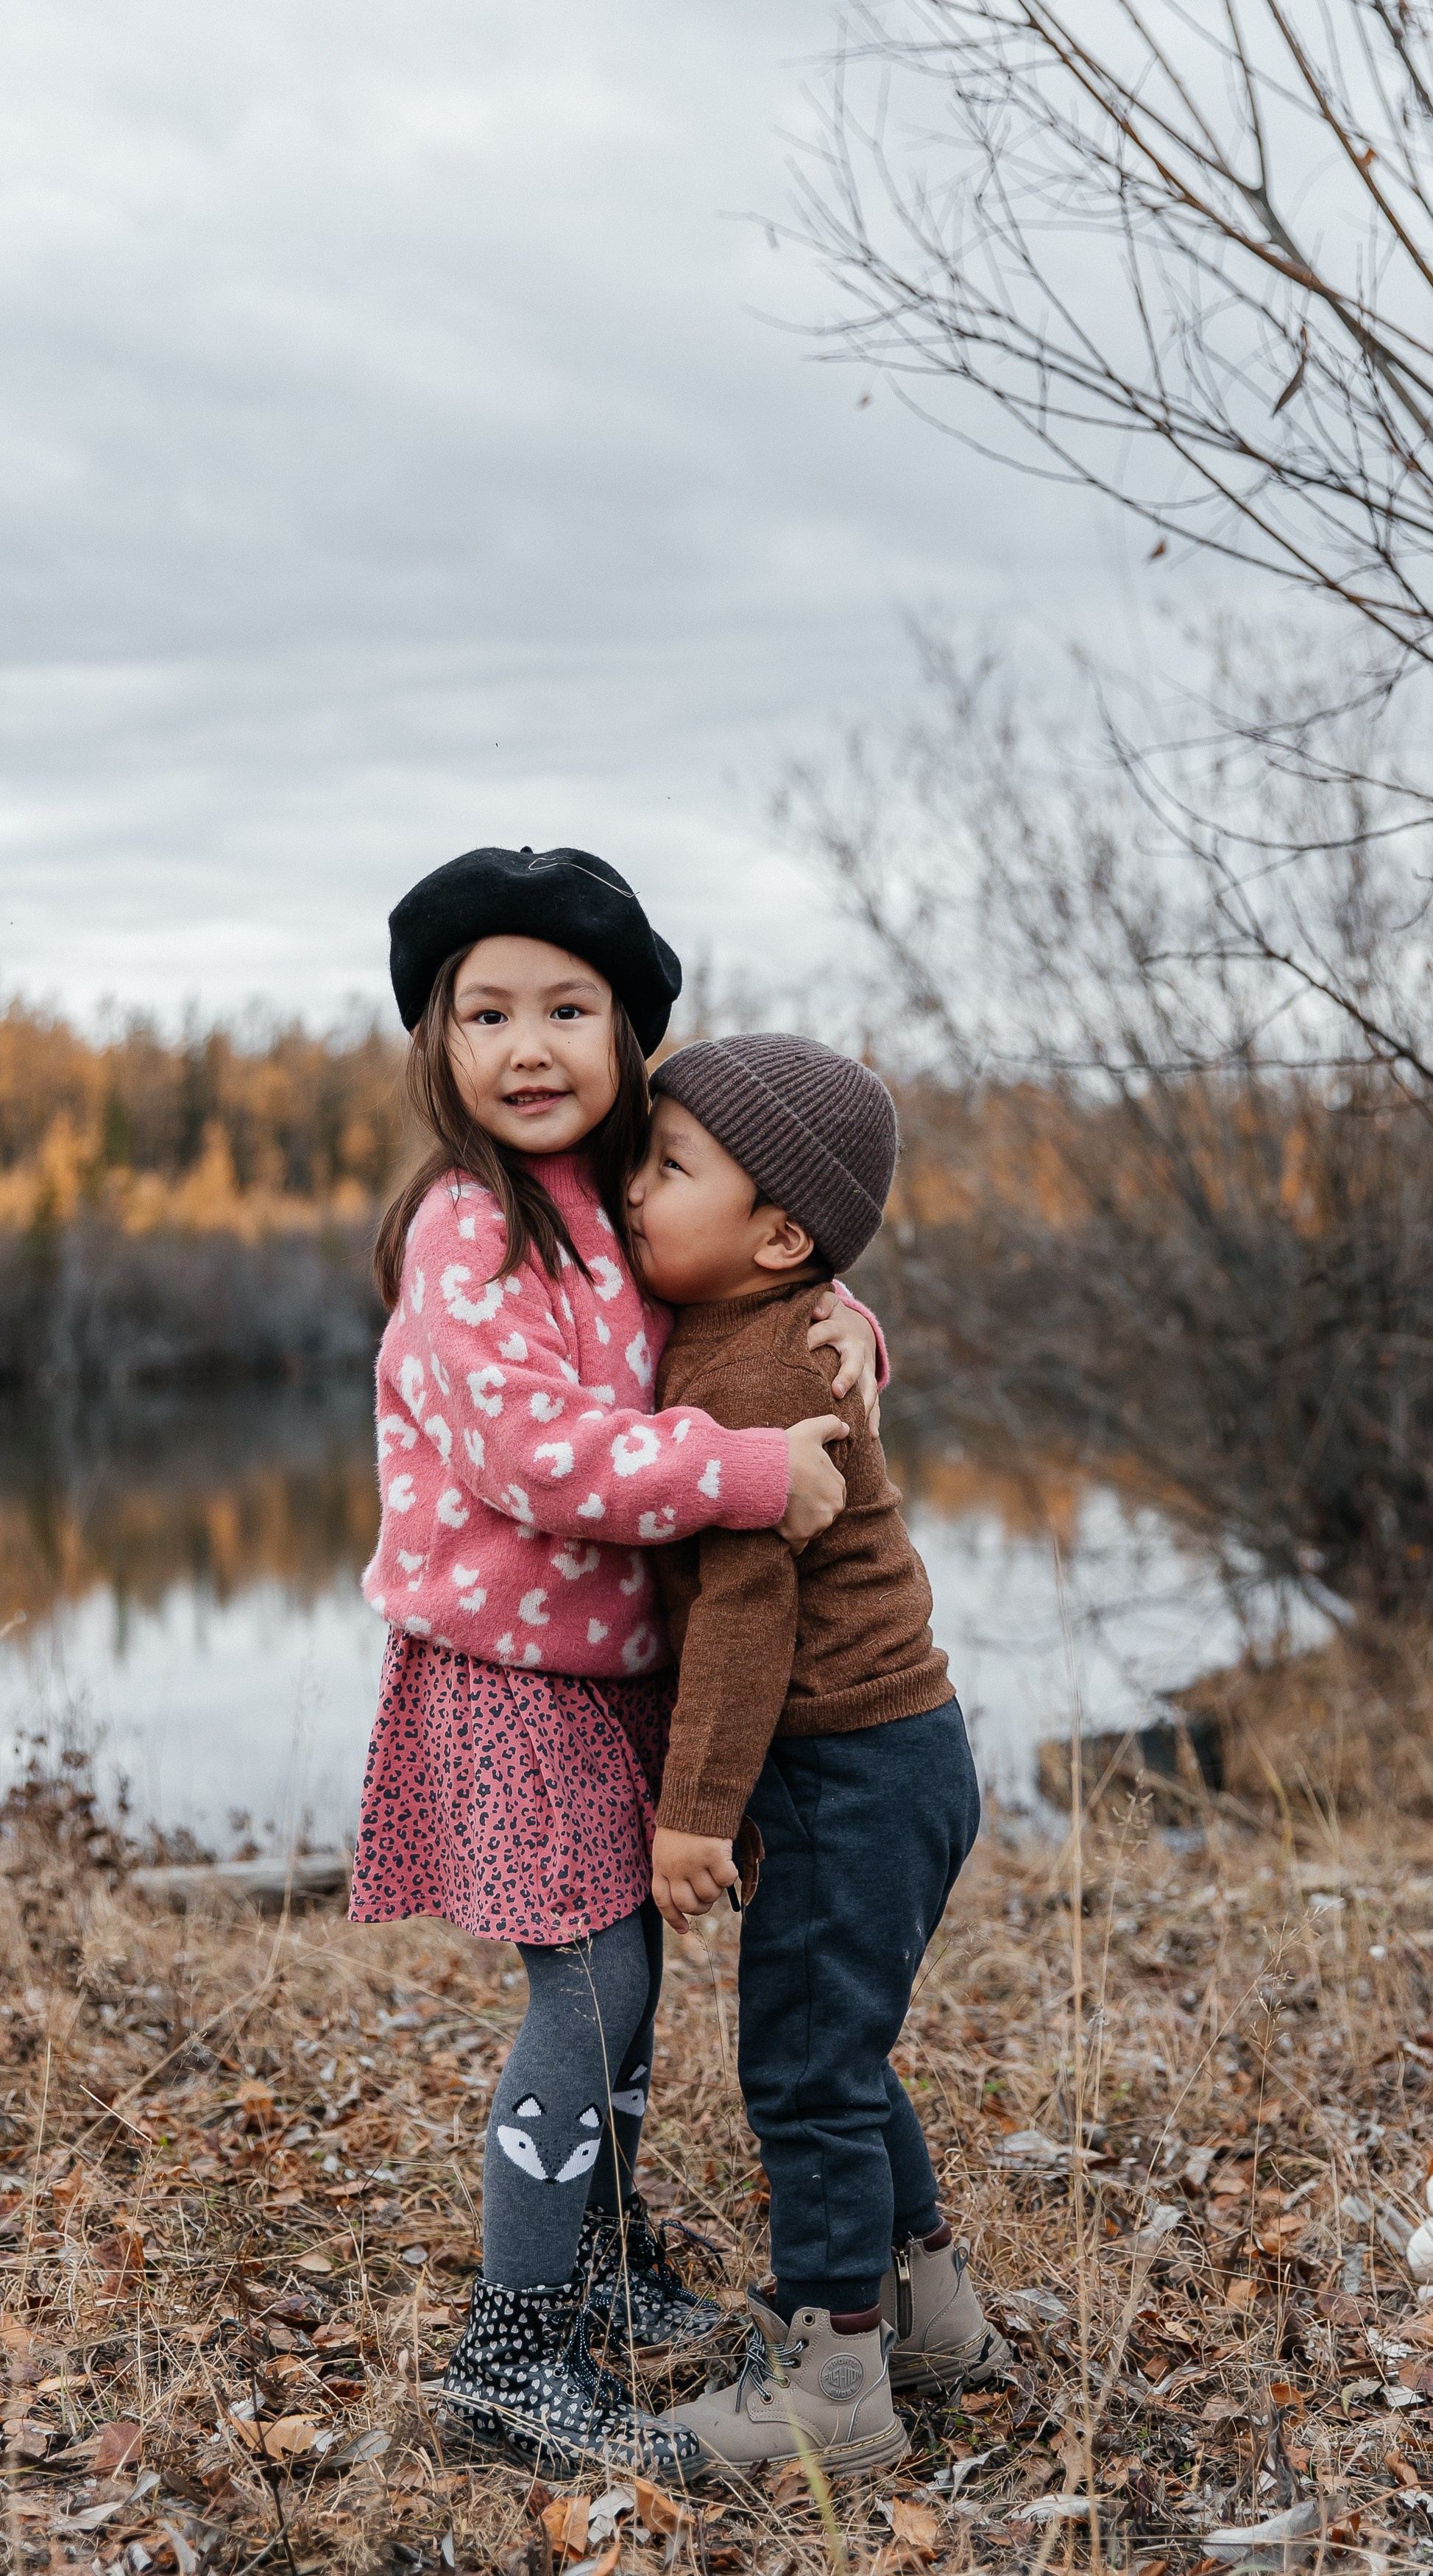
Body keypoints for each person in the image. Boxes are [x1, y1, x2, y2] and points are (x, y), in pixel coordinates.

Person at [349, 849, 885, 2485]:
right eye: (486, 1012)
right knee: (590, 1989)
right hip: (507, 1667)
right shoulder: (469, 1226)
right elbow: (530, 1452)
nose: (527, 1045)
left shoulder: (618, 1202)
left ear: (628, 1034)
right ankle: (512, 2352)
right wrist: (744, 1473)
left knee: (630, 1981)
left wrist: (846, 1313)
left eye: (567, 1010)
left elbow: (743, 1280)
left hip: (618, 1668)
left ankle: (601, 2260)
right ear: (438, 1041)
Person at [626, 1033, 1007, 2483]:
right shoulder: (769, 1320)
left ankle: (834, 2375)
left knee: (803, 2075)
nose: (636, 1188)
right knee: (837, 2049)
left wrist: (693, 1813)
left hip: (853, 1766)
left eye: (669, 1167)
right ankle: (931, 2315)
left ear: (779, 1236)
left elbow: (745, 1613)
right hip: (895, 1753)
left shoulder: (759, 1369)